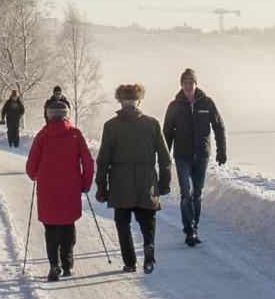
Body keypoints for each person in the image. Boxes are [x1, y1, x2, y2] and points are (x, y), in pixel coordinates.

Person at [95, 82, 172, 274]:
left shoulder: (110, 126)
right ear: (140, 101)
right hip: (146, 181)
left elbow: (103, 159)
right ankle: (149, 254)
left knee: (123, 223)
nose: (129, 102)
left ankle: (129, 261)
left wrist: (101, 186)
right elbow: (164, 157)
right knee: (148, 221)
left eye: (130, 99)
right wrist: (164, 183)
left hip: (120, 182)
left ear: (121, 102)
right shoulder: (152, 124)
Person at [24, 94, 95, 280]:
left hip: (47, 190)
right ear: (66, 115)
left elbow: (31, 165)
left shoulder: (42, 136)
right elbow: (88, 162)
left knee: (51, 229)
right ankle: (68, 265)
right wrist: (85, 183)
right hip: (70, 189)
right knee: (67, 226)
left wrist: (34, 176)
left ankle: (54, 265)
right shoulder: (75, 134)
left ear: (49, 115)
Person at [161, 67, 228, 248]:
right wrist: (164, 156)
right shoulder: (174, 106)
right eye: (185, 83)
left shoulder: (207, 103)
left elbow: (219, 127)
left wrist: (222, 151)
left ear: (195, 84)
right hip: (182, 156)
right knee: (185, 193)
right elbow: (166, 133)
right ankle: (189, 229)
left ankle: (195, 225)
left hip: (202, 155)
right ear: (181, 85)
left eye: (191, 82)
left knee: (197, 195)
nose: (188, 85)